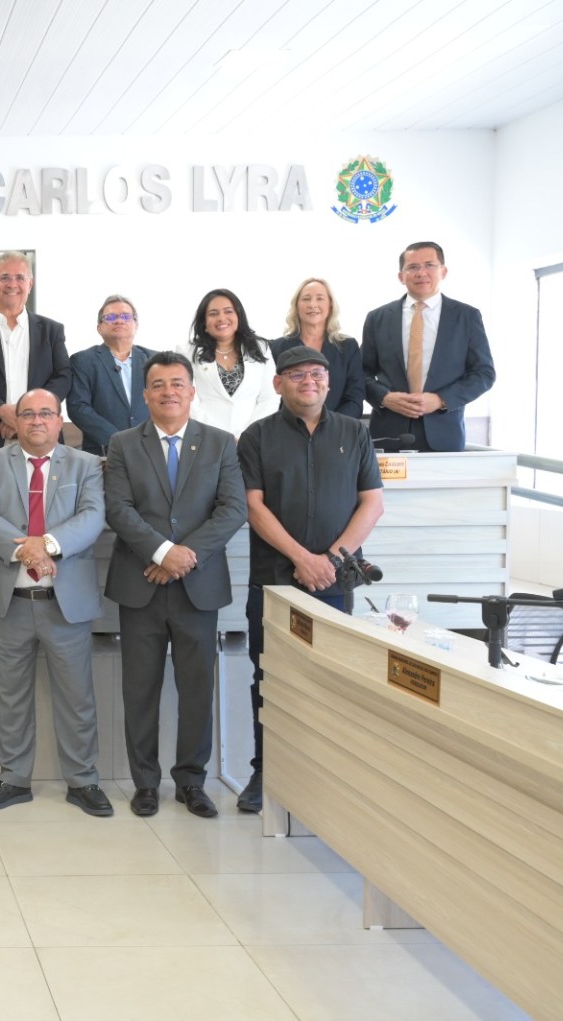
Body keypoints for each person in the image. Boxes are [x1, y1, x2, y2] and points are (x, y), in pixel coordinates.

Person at [236, 346, 384, 812]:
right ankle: (266, 772)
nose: (309, 381)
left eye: (317, 374)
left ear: (329, 381)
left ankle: (323, 777)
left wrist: (332, 560)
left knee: (330, 679)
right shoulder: (256, 437)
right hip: (275, 581)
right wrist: (302, 558)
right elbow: (253, 506)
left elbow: (372, 502)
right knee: (269, 676)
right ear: (278, 384)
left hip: (335, 584)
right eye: (297, 375)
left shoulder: (354, 433)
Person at [103, 351, 246, 818]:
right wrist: (164, 552)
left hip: (197, 587)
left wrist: (184, 557)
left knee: (197, 690)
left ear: (191, 391)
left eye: (177, 383)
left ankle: (191, 781)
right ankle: (145, 783)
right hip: (140, 585)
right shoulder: (123, 444)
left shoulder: (220, 443)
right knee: (139, 691)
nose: (169, 392)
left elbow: (232, 510)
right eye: (159, 385)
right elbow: (118, 509)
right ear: (145, 394)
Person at [0, 389, 111, 816]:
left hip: (65, 602)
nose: (36, 421)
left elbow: (92, 517)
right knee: (11, 696)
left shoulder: (86, 464)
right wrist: (25, 552)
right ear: (15, 421)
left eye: (45, 413)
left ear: (59, 419)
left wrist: (45, 545)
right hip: (10, 600)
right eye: (27, 414)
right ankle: (13, 779)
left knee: (77, 697)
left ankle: (83, 780)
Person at [361, 241, 496, 451]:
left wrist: (442, 400)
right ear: (401, 276)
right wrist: (384, 398)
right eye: (412, 267)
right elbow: (360, 373)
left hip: (444, 433)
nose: (421, 273)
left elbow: (484, 374)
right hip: (388, 434)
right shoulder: (377, 318)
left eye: (429, 265)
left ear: (443, 271)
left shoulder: (466, 317)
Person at [0, 252, 71, 457]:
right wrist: (1, 411)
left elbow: (63, 376)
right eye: (5, 277)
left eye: (20, 278)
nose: (12, 284)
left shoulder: (51, 331)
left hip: (42, 434)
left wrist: (26, 417)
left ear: (30, 284)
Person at [67, 294, 154, 455]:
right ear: (99, 328)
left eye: (126, 317)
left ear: (136, 325)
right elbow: (78, 407)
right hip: (104, 451)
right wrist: (118, 441)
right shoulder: (83, 361)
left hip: (150, 449)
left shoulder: (154, 360)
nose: (119, 321)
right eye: (111, 317)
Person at [186, 288, 278, 438]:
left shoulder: (260, 348)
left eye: (228, 311)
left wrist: (248, 435)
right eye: (213, 314)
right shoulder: (187, 352)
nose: (221, 318)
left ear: (238, 316)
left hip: (252, 438)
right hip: (205, 437)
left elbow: (269, 397)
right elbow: (187, 400)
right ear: (204, 322)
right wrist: (220, 437)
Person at [271, 277, 366, 419]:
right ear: (296, 306)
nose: (312, 304)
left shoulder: (348, 346)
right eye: (306, 299)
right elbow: (271, 398)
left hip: (338, 428)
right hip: (288, 428)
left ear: (330, 305)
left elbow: (355, 398)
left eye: (320, 298)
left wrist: (329, 426)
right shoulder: (277, 347)